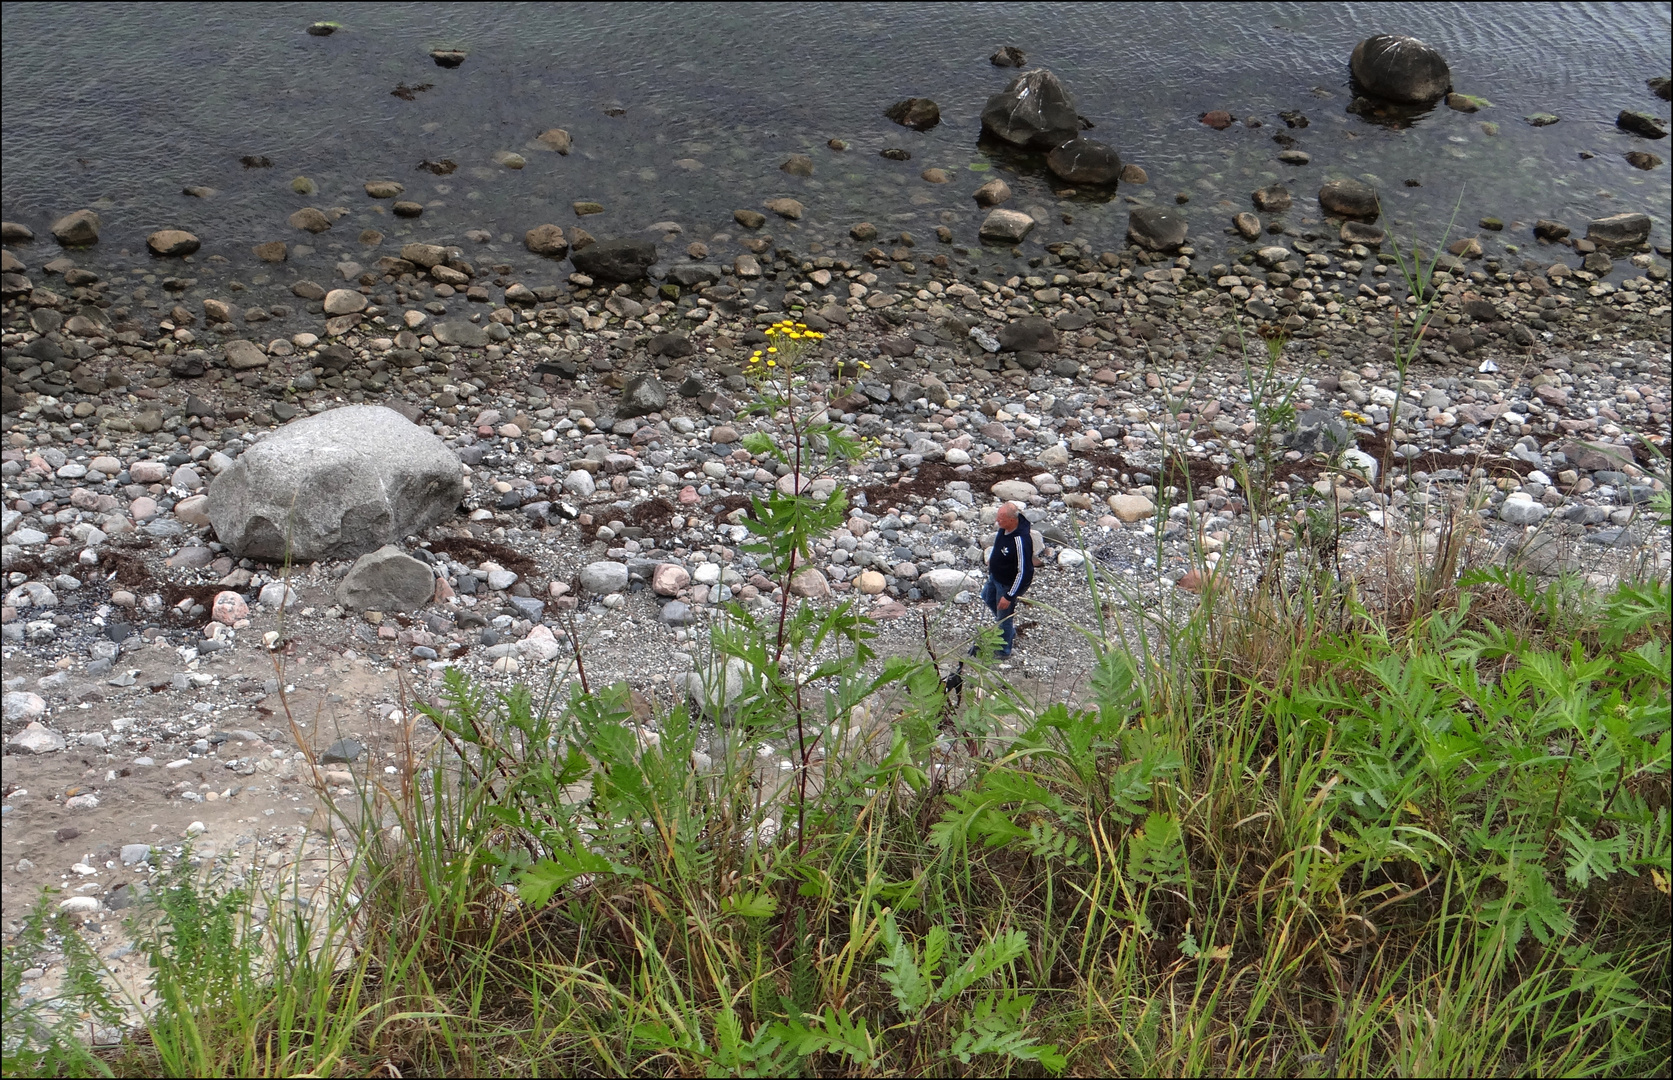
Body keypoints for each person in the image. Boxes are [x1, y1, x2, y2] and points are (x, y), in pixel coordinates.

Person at [977, 501, 1033, 660]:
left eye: (1001, 518)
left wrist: (1009, 596)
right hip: (996, 576)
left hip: (1008, 583)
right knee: (987, 597)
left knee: (1004, 616)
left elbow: (1024, 571)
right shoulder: (1004, 529)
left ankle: (1003, 650)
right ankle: (1006, 628)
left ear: (1011, 520)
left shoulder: (1021, 540)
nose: (997, 521)